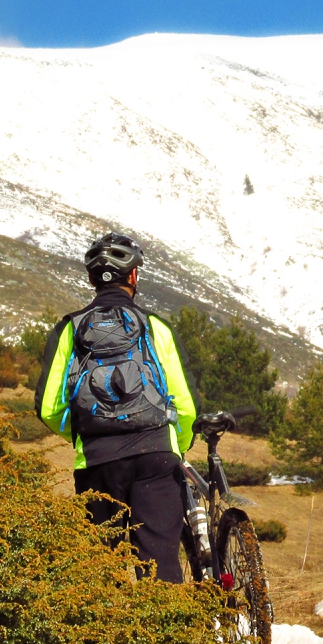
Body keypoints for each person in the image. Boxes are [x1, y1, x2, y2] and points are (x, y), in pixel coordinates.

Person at [34, 232, 199, 581]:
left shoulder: (69, 329)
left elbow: (49, 407)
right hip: (157, 455)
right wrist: (178, 445)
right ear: (134, 277)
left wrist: (87, 434)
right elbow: (184, 403)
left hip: (97, 461)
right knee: (159, 568)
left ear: (92, 279)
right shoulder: (154, 327)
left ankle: (105, 634)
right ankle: (171, 634)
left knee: (98, 571)